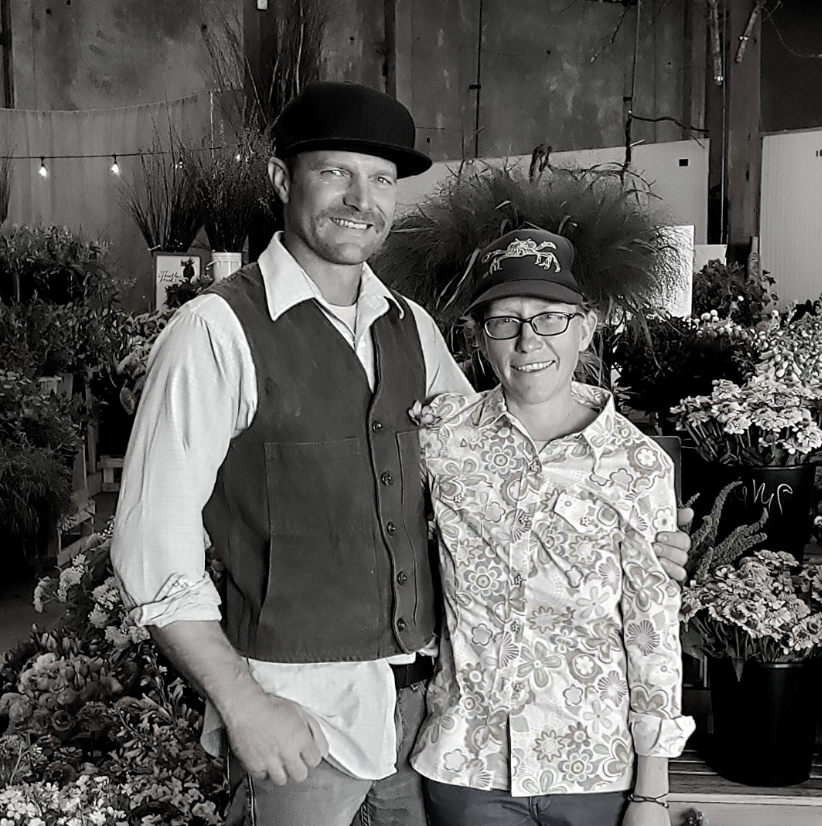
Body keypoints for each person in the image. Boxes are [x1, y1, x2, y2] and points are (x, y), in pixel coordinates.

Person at [111, 83, 692, 826]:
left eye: (381, 179)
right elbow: (151, 548)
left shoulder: (409, 327)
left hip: (424, 718)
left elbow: (496, 447)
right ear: (283, 181)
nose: (362, 198)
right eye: (335, 173)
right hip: (300, 716)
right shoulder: (216, 333)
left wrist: (636, 529)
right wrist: (242, 702)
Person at [410, 228, 696, 826]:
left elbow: (652, 634)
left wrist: (652, 792)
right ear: (481, 337)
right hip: (469, 765)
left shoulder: (638, 464)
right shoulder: (441, 441)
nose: (526, 341)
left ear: (586, 327)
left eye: (548, 319)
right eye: (505, 320)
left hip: (595, 766)